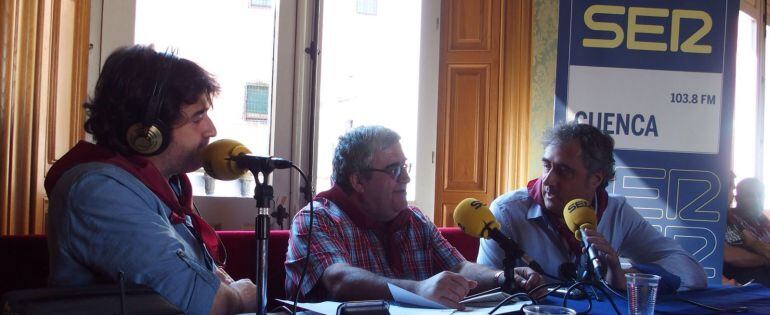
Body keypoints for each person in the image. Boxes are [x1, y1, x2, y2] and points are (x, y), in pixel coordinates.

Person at [45, 45, 256, 314]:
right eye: (198, 117)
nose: (211, 129)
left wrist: (225, 289)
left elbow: (211, 278)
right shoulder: (99, 192)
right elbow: (205, 302)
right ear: (149, 131)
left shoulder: (165, 186)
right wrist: (240, 296)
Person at [285, 125, 542, 309]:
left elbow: (459, 267)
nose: (406, 178)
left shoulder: (414, 219)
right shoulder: (317, 218)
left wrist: (504, 277)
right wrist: (417, 290)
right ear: (358, 180)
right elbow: (338, 280)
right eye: (394, 170)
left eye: (405, 167)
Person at [477, 122, 707, 293]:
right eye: (546, 166)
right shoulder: (507, 212)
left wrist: (628, 277)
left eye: (563, 171)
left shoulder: (617, 212)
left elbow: (692, 272)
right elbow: (484, 288)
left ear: (596, 179)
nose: (547, 181)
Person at [723, 177, 770, 287]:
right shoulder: (730, 219)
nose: (757, 200)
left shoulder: (762, 219)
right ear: (738, 198)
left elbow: (754, 243)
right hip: (749, 277)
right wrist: (765, 259)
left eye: (760, 195)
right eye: (750, 196)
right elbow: (733, 255)